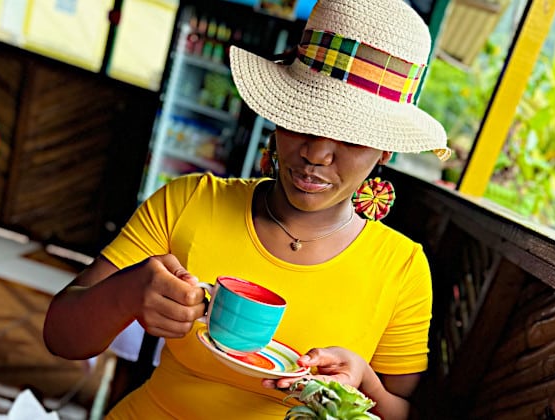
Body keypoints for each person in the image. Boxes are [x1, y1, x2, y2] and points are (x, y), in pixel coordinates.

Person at [43, 0, 451, 418]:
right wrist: (125, 293)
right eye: (303, 119)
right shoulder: (189, 201)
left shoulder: (401, 270)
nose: (316, 154)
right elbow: (61, 337)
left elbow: (402, 412)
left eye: (351, 138)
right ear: (277, 115)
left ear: (385, 150)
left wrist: (364, 384)